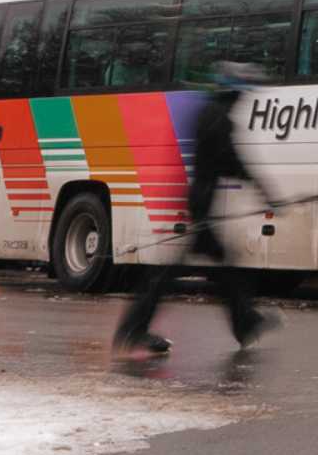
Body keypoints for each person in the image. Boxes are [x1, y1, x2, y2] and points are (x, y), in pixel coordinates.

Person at [113, 65, 280, 359]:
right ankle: (133, 330)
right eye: (242, 94)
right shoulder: (219, 119)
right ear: (233, 93)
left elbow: (227, 162)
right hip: (201, 202)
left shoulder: (210, 113)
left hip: (199, 199)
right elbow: (233, 161)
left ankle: (244, 323)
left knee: (210, 269)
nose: (244, 100)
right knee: (177, 273)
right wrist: (265, 192)